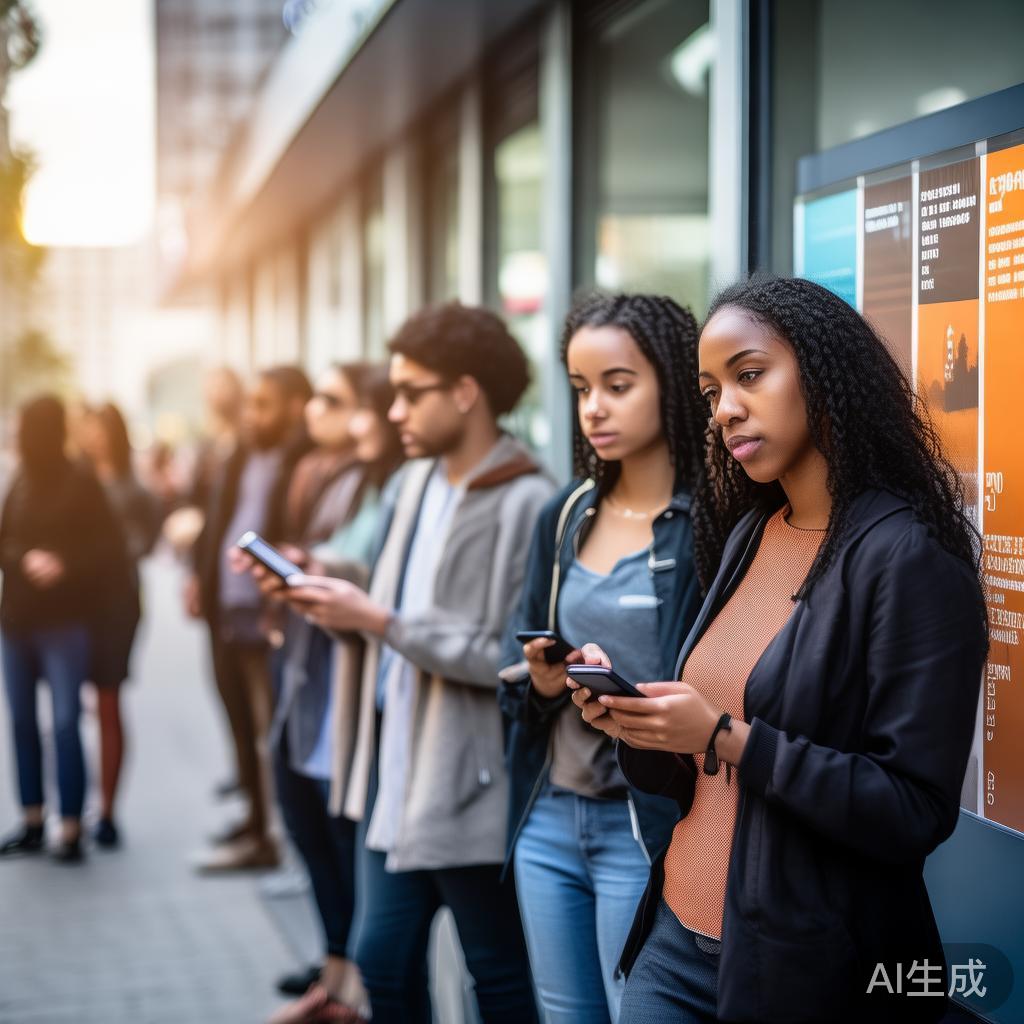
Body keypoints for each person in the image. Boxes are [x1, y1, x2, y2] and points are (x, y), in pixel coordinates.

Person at [571, 277, 988, 1024]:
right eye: (710, 391)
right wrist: (640, 724)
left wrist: (727, 738)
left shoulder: (909, 558)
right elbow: (702, 774)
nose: (726, 408)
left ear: (825, 374)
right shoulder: (750, 535)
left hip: (801, 971)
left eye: (750, 375)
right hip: (672, 939)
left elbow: (913, 812)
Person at [282, 303, 553, 1024]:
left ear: (465, 392)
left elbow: (508, 654)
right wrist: (319, 572)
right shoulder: (412, 483)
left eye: (411, 392)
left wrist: (380, 621)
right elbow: (387, 585)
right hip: (394, 770)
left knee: (495, 975)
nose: (394, 409)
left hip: (471, 781)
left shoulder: (528, 501)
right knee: (381, 961)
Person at [499, 293, 712, 1023]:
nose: (595, 408)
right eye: (582, 389)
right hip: (551, 816)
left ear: (674, 382)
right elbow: (517, 649)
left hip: (645, 824)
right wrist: (541, 677)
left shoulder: (710, 524)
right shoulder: (565, 512)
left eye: (618, 386)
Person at [249, 365, 404, 1024]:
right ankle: (338, 973)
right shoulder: (343, 476)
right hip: (314, 674)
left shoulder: (398, 483)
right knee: (307, 819)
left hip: (355, 686)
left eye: (349, 404)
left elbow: (373, 576)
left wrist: (316, 571)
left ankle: (352, 985)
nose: (367, 420)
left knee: (343, 836)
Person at [188, 366, 313, 871]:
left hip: (268, 617)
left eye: (265, 404)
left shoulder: (303, 462)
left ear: (294, 406)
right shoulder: (241, 452)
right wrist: (199, 576)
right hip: (226, 611)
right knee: (239, 726)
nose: (253, 413)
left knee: (270, 734)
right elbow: (218, 518)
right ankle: (256, 824)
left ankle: (277, 841)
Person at [0, 395, 129, 863]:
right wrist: (22, 558)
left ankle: (71, 824)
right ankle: (33, 818)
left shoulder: (81, 481)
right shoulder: (18, 482)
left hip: (67, 624)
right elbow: (3, 540)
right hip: (16, 622)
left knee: (64, 721)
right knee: (20, 721)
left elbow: (110, 551)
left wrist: (64, 563)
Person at [78, 402, 162, 847]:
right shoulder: (73, 482)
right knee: (68, 712)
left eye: (99, 428)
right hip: (73, 610)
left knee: (108, 703)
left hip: (115, 606)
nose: (92, 437)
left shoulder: (135, 490)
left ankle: (107, 808)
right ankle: (74, 805)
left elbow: (142, 544)